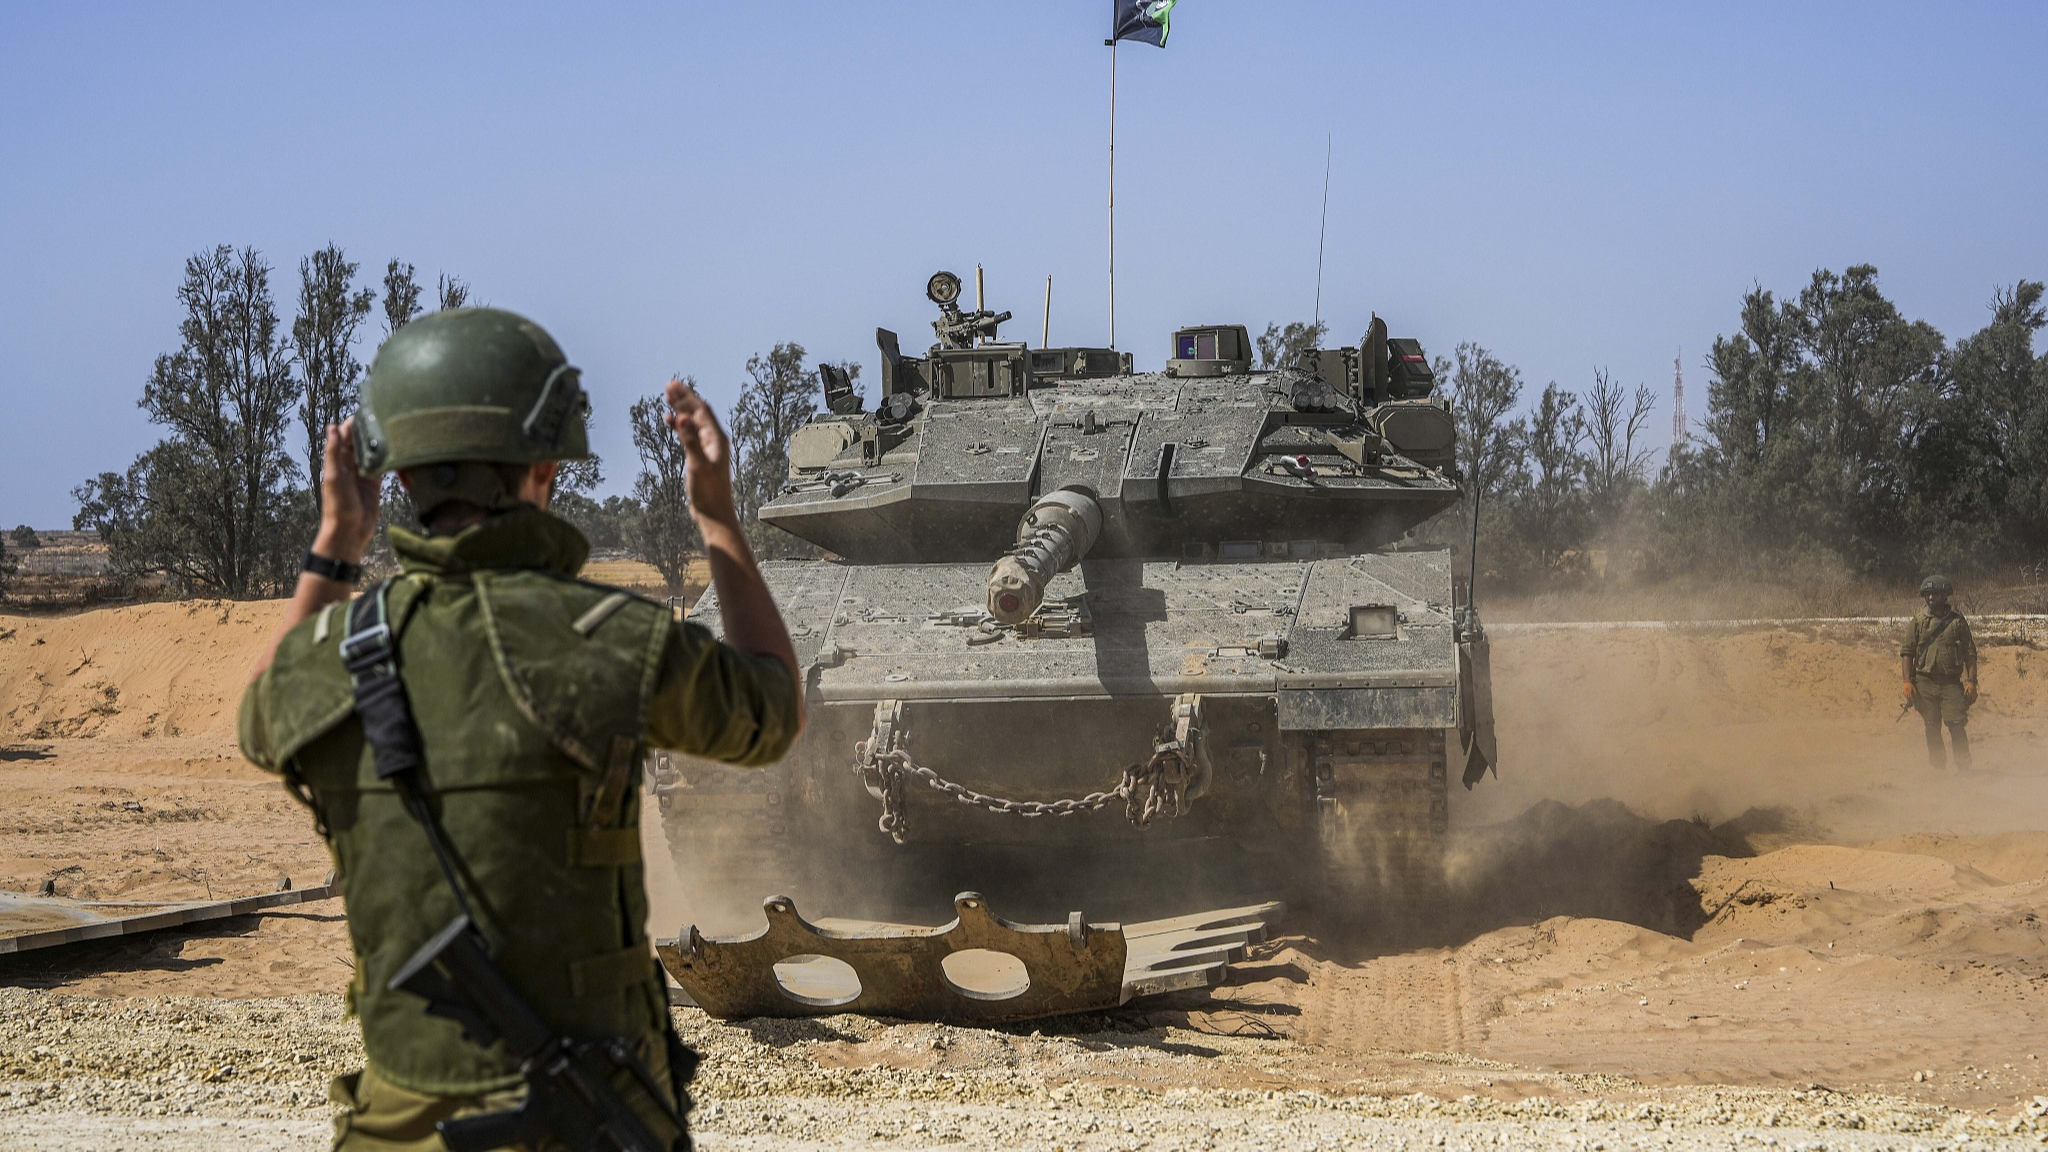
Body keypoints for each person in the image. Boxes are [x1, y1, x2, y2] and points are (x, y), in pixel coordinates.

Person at [238, 307, 802, 1150]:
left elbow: (261, 719)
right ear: (546, 466)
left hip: (398, 1126)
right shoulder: (617, 640)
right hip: (584, 1121)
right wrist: (718, 517)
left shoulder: (328, 662)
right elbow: (770, 712)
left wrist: (335, 544)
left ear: (396, 480)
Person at [1899, 574, 1977, 771]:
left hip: (1951, 682)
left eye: (1935, 593)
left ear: (1945, 596)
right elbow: (1907, 652)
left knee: (1957, 724)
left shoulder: (1957, 622)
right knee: (1932, 727)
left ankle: (1963, 765)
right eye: (1928, 594)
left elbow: (1969, 652)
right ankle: (1938, 767)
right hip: (1925, 682)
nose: (1931, 597)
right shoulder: (1917, 622)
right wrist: (1907, 681)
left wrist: (1972, 681)